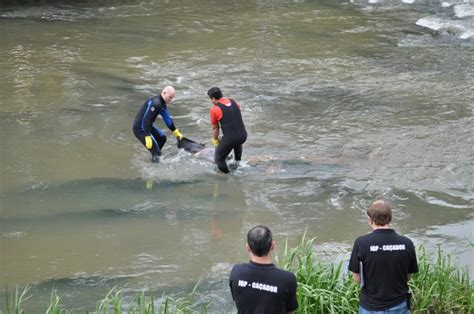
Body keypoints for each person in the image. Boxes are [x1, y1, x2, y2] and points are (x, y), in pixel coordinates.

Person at [349, 200, 418, 314]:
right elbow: (408, 277)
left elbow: (357, 279)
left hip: (370, 307)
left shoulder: (361, 243)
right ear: (390, 218)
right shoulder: (407, 243)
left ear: (370, 220)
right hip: (399, 305)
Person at [229, 225, 299, 314]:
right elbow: (290, 311)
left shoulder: (236, 272)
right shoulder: (287, 279)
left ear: (248, 248)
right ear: (272, 246)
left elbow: (237, 300)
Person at [132, 86, 183, 163]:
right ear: (164, 93)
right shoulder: (156, 103)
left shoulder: (162, 104)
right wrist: (147, 136)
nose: (171, 100)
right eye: (170, 97)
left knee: (162, 139)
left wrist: (175, 131)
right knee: (156, 152)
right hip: (140, 128)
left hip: (148, 126)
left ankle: (154, 157)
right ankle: (153, 170)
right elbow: (147, 120)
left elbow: (167, 120)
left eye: (172, 98)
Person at [208, 87, 247, 173]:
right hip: (243, 136)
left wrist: (215, 140)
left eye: (211, 99)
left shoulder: (215, 109)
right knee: (236, 141)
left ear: (213, 98)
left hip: (231, 139)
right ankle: (238, 163)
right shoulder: (233, 101)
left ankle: (228, 176)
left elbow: (215, 128)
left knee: (219, 159)